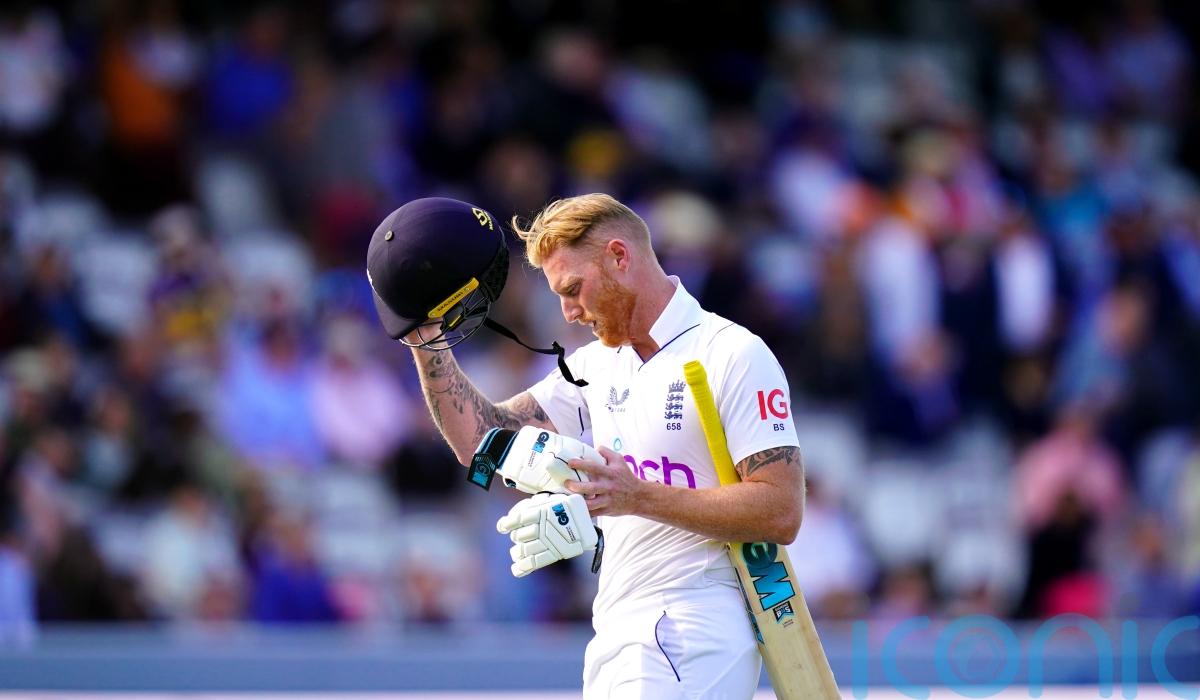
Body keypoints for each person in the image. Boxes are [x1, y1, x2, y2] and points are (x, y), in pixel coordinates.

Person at [368, 194, 805, 698]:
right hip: (617, 626)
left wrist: (637, 496)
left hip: (694, 622)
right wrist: (427, 340)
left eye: (573, 289)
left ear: (619, 256)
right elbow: (482, 441)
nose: (569, 312)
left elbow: (780, 510)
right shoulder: (596, 364)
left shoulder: (731, 353)